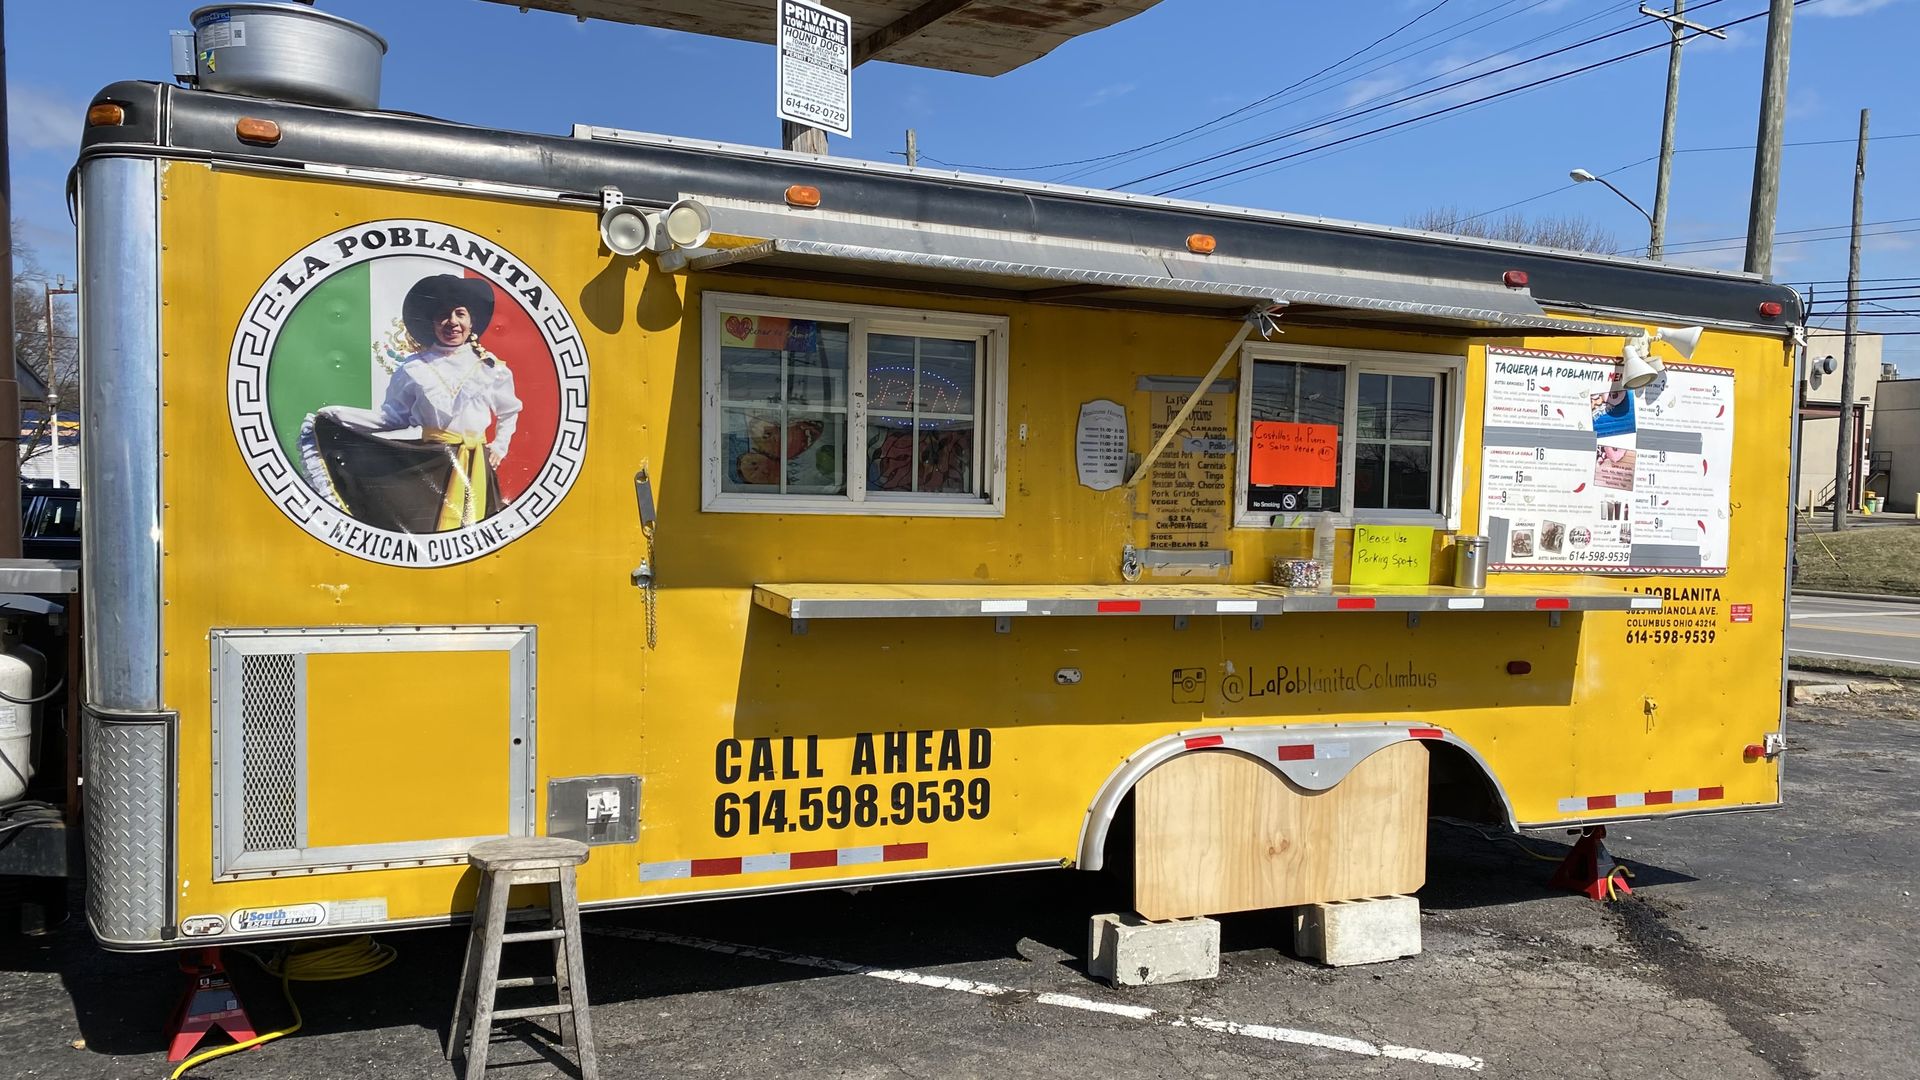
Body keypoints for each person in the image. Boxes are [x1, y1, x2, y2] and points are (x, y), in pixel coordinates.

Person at [299, 274, 524, 533]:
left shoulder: (491, 367)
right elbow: (392, 418)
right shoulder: (414, 368)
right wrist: (338, 416)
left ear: (471, 321)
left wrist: (500, 445)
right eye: (443, 315)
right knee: (426, 532)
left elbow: (509, 411)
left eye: (460, 314)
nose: (452, 322)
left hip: (477, 467)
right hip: (431, 464)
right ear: (432, 322)